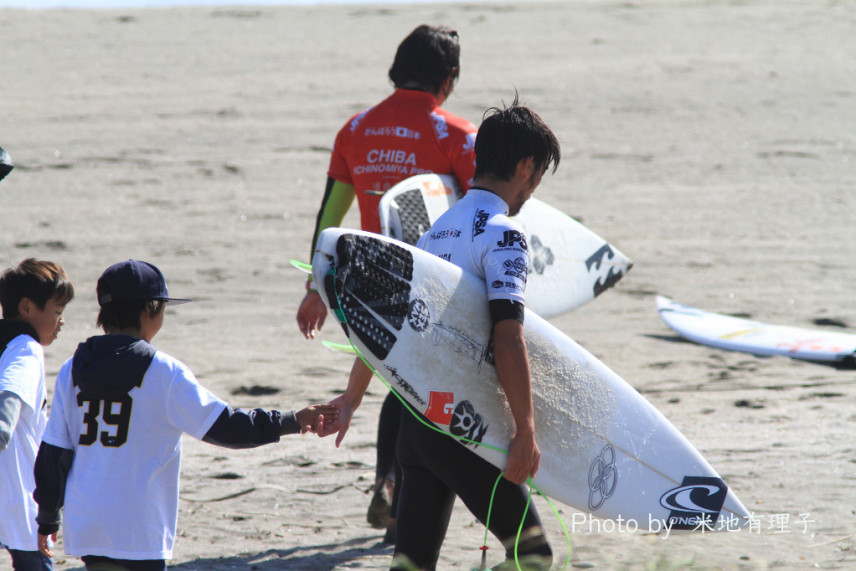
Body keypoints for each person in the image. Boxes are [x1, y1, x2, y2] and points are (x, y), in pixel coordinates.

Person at [320, 98, 560, 570]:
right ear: (525, 166)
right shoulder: (504, 235)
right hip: (461, 428)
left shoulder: (434, 234)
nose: (532, 191)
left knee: (412, 564)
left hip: (416, 427)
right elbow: (509, 337)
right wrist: (526, 429)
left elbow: (384, 327)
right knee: (532, 555)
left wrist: (351, 400)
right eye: (536, 178)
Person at [33, 260, 337, 571]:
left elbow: (55, 452)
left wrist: (47, 518)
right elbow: (227, 427)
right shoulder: (163, 372)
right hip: (139, 526)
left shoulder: (73, 368)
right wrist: (291, 420)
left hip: (88, 522)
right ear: (150, 310)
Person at [296, 24, 478, 536]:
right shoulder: (457, 135)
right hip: (436, 284)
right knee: (415, 393)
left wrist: (315, 288)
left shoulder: (355, 130)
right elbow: (483, 215)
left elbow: (330, 215)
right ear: (449, 76)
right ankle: (404, 499)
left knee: (395, 382)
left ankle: (387, 484)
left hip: (371, 280)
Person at [0, 259, 74, 571]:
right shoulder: (26, 349)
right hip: (18, 500)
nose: (62, 321)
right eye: (57, 312)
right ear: (27, 307)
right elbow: (10, 394)